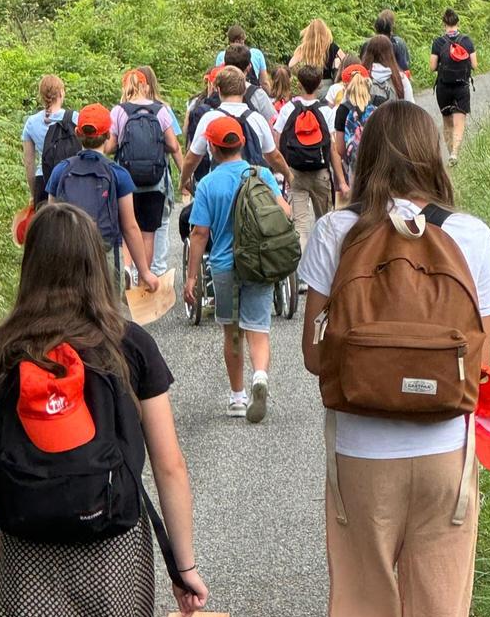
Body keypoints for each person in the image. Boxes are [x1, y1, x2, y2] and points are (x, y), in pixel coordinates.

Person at [299, 100, 490, 617]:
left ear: (365, 155)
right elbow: (481, 364)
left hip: (360, 455)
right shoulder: (470, 234)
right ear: (432, 155)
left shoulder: (337, 231)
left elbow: (312, 353)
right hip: (446, 456)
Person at [0, 202, 208, 617]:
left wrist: (5, 553)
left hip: (28, 554)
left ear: (31, 267)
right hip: (115, 551)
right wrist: (183, 565)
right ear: (96, 263)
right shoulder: (130, 345)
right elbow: (170, 464)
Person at [183, 116, 292, 422]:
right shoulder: (261, 174)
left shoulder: (207, 184)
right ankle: (260, 376)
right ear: (242, 143)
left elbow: (199, 234)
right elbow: (284, 213)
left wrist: (191, 278)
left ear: (213, 149)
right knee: (258, 328)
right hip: (258, 262)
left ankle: (236, 397)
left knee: (231, 333)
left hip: (223, 266)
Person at [46, 103, 159, 294]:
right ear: (108, 135)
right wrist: (145, 272)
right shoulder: (117, 174)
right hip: (104, 252)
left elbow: (50, 222)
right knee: (107, 315)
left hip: (67, 254)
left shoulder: (61, 170)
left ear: (77, 132)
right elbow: (130, 227)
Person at [108, 69, 184, 272]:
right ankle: (144, 276)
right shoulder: (161, 110)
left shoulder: (119, 111)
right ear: (145, 86)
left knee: (128, 227)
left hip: (127, 181)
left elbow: (110, 146)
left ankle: (127, 270)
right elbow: (174, 146)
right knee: (149, 232)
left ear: (126, 86)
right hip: (154, 180)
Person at [275, 64, 349, 253]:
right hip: (321, 173)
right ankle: (325, 265)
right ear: (319, 86)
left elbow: (277, 142)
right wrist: (341, 181)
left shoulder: (288, 109)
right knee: (325, 223)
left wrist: (281, 171)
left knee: (300, 226)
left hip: (295, 173)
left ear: (298, 85)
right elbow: (333, 149)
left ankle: (301, 272)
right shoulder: (326, 111)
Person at [181, 66, 293, 188]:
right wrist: (289, 176)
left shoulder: (209, 119)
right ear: (244, 90)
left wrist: (184, 180)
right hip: (251, 189)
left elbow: (192, 158)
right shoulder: (257, 119)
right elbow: (274, 156)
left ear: (218, 89)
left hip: (220, 186)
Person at [137, 65, 183, 277]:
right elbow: (174, 146)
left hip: (130, 178)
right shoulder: (163, 109)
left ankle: (136, 273)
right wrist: (185, 174)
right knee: (162, 222)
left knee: (134, 224)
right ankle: (158, 271)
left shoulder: (123, 109)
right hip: (158, 177)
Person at [22, 75, 79, 207]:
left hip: (43, 181)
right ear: (60, 92)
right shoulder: (75, 118)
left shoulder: (31, 123)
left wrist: (34, 193)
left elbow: (29, 163)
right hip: (71, 179)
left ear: (41, 96)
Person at [430, 9, 477, 167]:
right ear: (458, 23)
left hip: (443, 87)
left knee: (447, 121)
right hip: (461, 86)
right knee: (459, 123)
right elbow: (475, 65)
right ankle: (455, 153)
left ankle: (450, 151)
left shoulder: (438, 42)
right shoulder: (467, 41)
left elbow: (432, 67)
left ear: (444, 24)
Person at [334, 66, 373, 181]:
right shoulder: (380, 103)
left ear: (345, 86)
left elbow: (340, 149)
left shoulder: (343, 110)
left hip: (355, 168)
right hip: (380, 165)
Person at [223, 44, 278, 123]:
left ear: (225, 66)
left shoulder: (216, 93)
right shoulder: (258, 95)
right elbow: (273, 122)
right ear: (249, 67)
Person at [289, 19, 345, 96]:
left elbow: (291, 65)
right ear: (326, 31)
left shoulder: (304, 48)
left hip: (308, 86)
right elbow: (345, 61)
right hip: (327, 87)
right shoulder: (332, 46)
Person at [215, 23, 271, 92]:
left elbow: (218, 80)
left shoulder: (221, 56)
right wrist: (271, 96)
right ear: (238, 41)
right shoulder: (256, 54)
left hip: (229, 93)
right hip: (250, 94)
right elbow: (264, 82)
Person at [362, 34, 415, 104]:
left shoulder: (361, 76)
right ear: (390, 53)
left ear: (368, 53)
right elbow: (410, 106)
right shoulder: (400, 78)